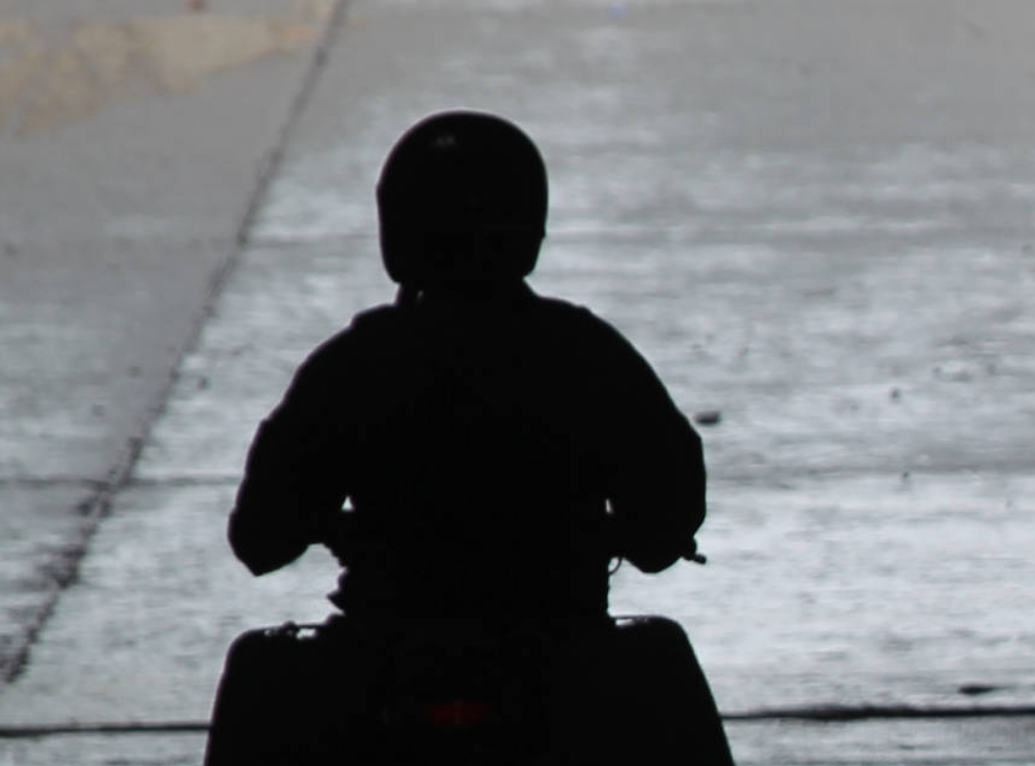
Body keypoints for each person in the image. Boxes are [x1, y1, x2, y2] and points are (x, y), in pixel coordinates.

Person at [228, 110, 704, 621]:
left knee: (261, 671)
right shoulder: (586, 353)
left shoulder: (354, 364)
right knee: (660, 661)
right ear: (528, 225)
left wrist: (334, 526)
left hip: (388, 653)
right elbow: (665, 516)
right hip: (560, 648)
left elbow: (261, 538)